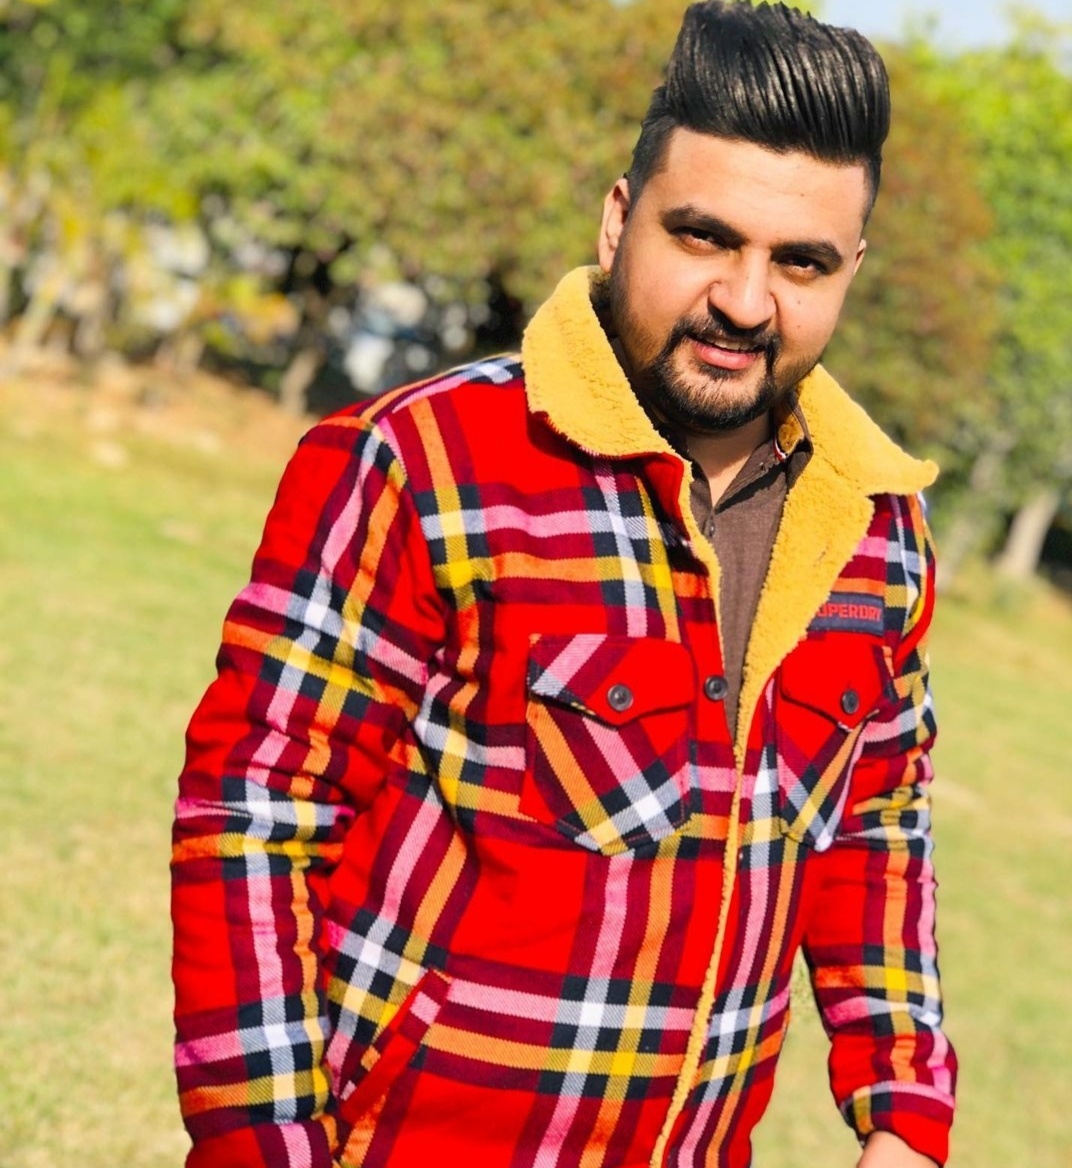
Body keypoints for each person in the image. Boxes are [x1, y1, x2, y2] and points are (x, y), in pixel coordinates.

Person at [170, 3, 957, 1166]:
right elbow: (254, 814)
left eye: (800, 262)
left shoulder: (879, 527)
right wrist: (265, 1142)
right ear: (618, 219)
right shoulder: (418, 461)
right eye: (704, 237)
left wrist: (902, 1106)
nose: (745, 301)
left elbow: (878, 827)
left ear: (851, 270)